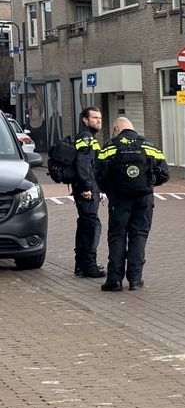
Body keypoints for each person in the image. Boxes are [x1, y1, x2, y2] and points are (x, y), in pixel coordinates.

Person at [96, 117, 170, 291]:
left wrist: (112, 190)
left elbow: (99, 174)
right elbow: (164, 174)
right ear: (132, 128)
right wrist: (148, 185)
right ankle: (135, 280)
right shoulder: (149, 145)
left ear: (116, 128)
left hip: (119, 199)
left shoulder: (109, 146)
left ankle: (114, 280)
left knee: (117, 236)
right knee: (139, 235)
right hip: (144, 198)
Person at [73, 107, 106, 279]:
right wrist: (87, 188)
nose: (98, 120)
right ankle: (89, 266)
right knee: (91, 226)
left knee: (85, 225)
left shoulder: (89, 138)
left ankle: (81, 264)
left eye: (99, 118)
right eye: (94, 118)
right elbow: (84, 164)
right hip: (86, 190)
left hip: (90, 188)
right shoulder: (85, 138)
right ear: (85, 120)